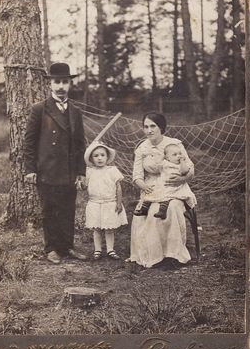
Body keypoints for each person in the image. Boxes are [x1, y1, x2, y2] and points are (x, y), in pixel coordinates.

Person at [24, 62, 87, 264]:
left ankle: (67, 247)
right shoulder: (40, 109)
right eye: (57, 82)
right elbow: (29, 142)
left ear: (69, 84)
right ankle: (51, 248)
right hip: (47, 170)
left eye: (64, 82)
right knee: (49, 210)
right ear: (50, 84)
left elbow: (80, 144)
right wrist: (30, 169)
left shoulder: (75, 111)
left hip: (69, 171)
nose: (60, 86)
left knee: (68, 209)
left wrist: (81, 172)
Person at [129, 112, 194, 268]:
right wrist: (144, 186)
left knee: (172, 207)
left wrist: (181, 179)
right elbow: (137, 175)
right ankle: (154, 255)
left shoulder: (174, 144)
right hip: (151, 187)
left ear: (161, 127)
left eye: (153, 126)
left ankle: (173, 255)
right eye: (146, 126)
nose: (149, 130)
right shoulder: (142, 148)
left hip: (175, 185)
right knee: (147, 211)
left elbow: (190, 169)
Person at [84, 141, 128, 260]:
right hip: (95, 203)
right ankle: (97, 250)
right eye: (96, 156)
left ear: (107, 157)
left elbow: (118, 187)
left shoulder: (112, 170)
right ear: (91, 159)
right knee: (96, 228)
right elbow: (84, 185)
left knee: (109, 228)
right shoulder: (89, 171)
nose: (99, 158)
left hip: (110, 202)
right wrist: (80, 182)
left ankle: (110, 250)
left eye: (102, 155)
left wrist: (119, 203)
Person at [134, 143, 197, 219]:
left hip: (175, 186)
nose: (178, 156)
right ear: (168, 158)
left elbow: (185, 171)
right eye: (175, 155)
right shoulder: (165, 163)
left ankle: (162, 211)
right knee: (152, 193)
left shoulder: (180, 165)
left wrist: (182, 161)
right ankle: (144, 208)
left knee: (167, 196)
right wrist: (155, 154)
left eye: (180, 154)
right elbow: (157, 165)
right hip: (162, 183)